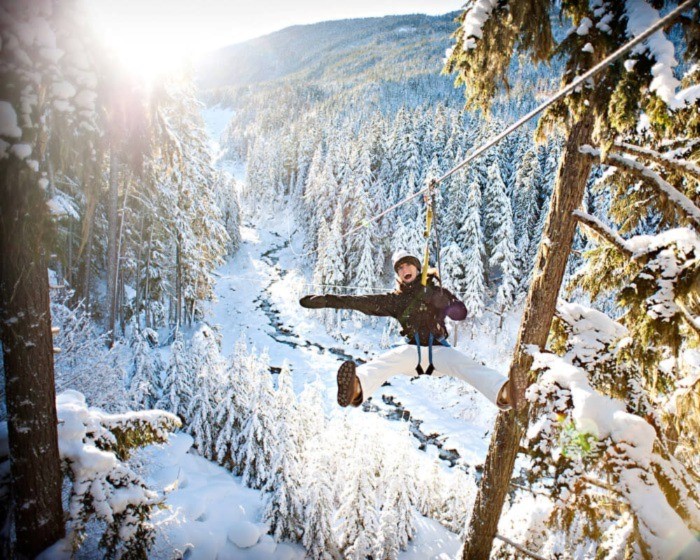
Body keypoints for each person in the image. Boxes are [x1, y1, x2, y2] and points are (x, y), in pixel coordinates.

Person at [299, 249, 513, 410]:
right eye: (400, 268)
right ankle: (356, 387)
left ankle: (503, 392)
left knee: (463, 364)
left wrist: (443, 302)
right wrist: (326, 300)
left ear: (417, 267)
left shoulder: (435, 290)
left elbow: (461, 313)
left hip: (439, 351)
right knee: (388, 360)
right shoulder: (396, 301)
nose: (404, 270)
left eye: (408, 265)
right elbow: (359, 302)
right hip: (412, 354)